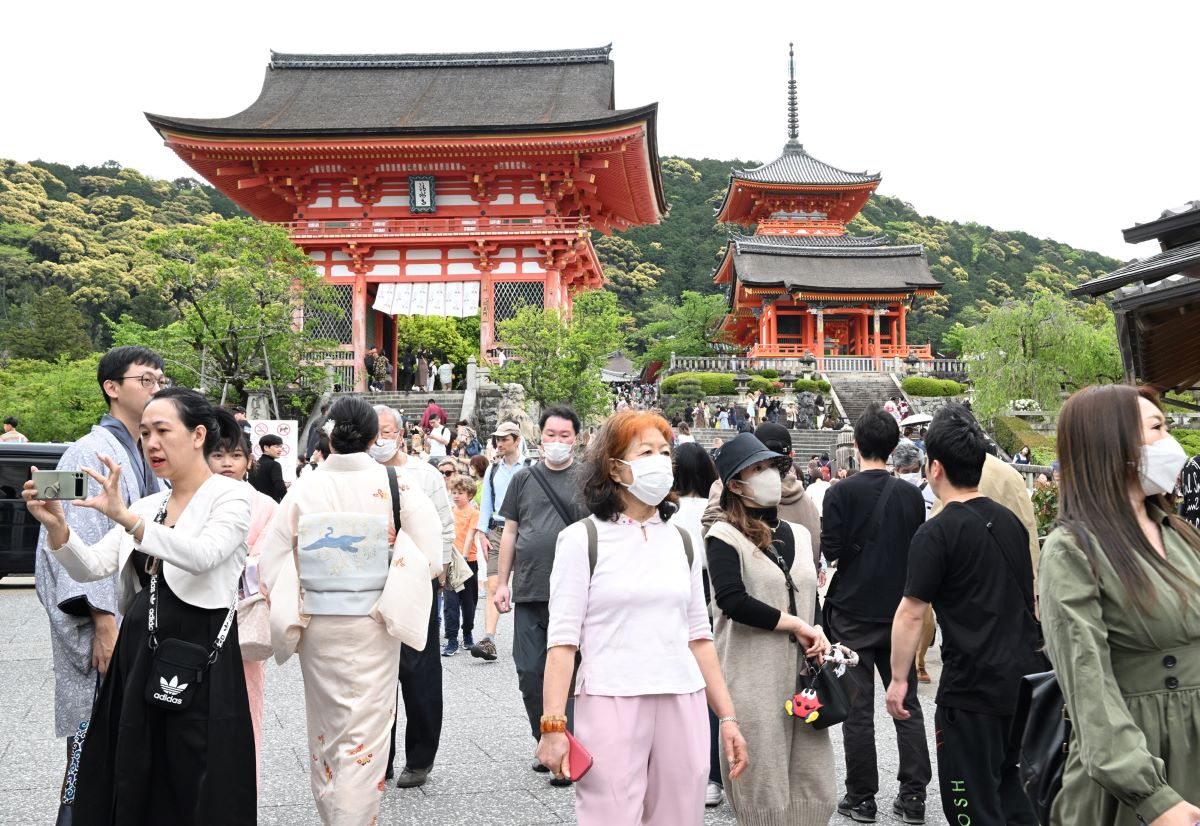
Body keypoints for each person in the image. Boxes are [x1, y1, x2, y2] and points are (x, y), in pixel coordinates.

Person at [24, 387, 255, 824]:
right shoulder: (151, 503)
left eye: (163, 431)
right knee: (134, 765)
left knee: (196, 770)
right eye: (145, 432)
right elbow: (93, 566)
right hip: (140, 648)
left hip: (199, 649)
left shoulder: (230, 496)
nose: (151, 443)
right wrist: (58, 530)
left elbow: (203, 554)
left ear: (198, 435)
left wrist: (126, 518)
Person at [536, 410, 749, 824]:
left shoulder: (683, 540)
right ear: (615, 467)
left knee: (680, 817)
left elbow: (699, 637)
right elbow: (562, 643)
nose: (659, 461)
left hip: (682, 697)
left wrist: (728, 716)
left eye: (665, 452)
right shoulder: (582, 539)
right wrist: (552, 727)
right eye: (646, 451)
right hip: (611, 697)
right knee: (609, 816)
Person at [258, 395, 442, 824]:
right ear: (375, 437)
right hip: (375, 622)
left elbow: (273, 560)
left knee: (328, 727)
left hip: (320, 622)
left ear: (327, 435)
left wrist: (309, 569)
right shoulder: (398, 484)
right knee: (367, 732)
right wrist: (393, 554)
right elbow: (431, 556)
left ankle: (334, 814)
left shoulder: (305, 485)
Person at [1038, 385, 1200, 826]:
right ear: (1114, 445)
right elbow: (1088, 685)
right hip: (1140, 764)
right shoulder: (1073, 551)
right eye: (1158, 428)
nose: (1172, 441)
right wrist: (1153, 797)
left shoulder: (1182, 534)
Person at [885, 405, 1041, 825]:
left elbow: (911, 613)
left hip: (971, 690)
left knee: (969, 804)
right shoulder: (1009, 522)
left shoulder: (936, 532)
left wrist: (900, 680)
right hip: (1022, 683)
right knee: (1015, 792)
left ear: (934, 467)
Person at [33, 346, 164, 790]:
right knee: (93, 744)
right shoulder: (84, 453)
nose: (157, 387)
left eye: (160, 381)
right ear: (112, 388)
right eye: (145, 380)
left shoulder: (150, 452)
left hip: (143, 617)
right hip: (105, 622)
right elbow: (72, 537)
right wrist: (104, 622)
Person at [707, 433, 837, 825]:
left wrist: (819, 631)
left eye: (772, 467)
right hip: (752, 677)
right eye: (758, 469)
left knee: (813, 772)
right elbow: (732, 601)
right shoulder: (722, 535)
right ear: (735, 484)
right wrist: (795, 624)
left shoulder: (797, 533)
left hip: (802, 679)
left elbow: (808, 595)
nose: (770, 475)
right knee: (761, 774)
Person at [821, 403, 931, 824]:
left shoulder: (839, 492)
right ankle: (914, 795)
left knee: (858, 706)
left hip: (851, 612)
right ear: (891, 446)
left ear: (858, 445)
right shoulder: (909, 493)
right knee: (906, 702)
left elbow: (831, 551)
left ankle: (862, 796)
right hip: (900, 609)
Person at [494, 406, 590, 783]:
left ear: (577, 438)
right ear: (540, 437)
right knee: (530, 670)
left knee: (575, 673)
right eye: (550, 435)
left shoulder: (588, 479)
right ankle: (547, 741)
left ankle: (571, 746)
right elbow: (510, 534)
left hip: (578, 592)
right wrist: (502, 583)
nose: (556, 442)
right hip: (531, 589)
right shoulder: (523, 479)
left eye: (564, 435)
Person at [370, 405, 455, 787]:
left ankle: (420, 758)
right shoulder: (358, 472)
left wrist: (440, 573)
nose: (379, 440)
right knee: (375, 679)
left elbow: (445, 526)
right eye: (373, 433)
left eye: (386, 432)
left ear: (401, 434)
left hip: (417, 584)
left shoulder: (426, 474)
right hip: (369, 587)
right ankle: (377, 760)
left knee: (419, 676)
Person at [206, 408, 278, 789]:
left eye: (235, 455)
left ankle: (241, 784)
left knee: (246, 700)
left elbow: (269, 560)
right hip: (198, 614)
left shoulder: (266, 506)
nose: (227, 463)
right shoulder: (191, 499)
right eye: (218, 455)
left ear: (249, 460)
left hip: (243, 615)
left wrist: (228, 561)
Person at [672, 442, 725, 807]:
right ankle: (713, 775)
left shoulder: (668, 513)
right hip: (715, 593)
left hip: (675, 598)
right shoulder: (715, 509)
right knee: (712, 682)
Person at [470, 421, 530, 662]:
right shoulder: (493, 470)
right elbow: (486, 504)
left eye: (505, 439)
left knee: (526, 587)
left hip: (526, 529)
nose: (499, 443)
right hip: (498, 529)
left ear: (517, 440)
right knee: (493, 584)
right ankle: (489, 639)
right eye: (497, 439)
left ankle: (529, 639)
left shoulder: (531, 467)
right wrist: (482, 533)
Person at [443, 474, 481, 657]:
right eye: (454, 492)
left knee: (469, 602)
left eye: (461, 493)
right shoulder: (448, 512)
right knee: (450, 602)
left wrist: (464, 557)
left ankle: (467, 633)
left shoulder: (474, 513)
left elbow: (470, 536)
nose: (456, 496)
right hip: (450, 561)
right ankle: (451, 639)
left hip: (468, 561)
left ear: (470, 495)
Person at [248, 433, 287, 502]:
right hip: (271, 505)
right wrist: (287, 502)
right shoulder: (274, 465)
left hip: (254, 505)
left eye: (281, 447)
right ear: (266, 448)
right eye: (277, 447)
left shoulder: (255, 464)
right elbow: (280, 487)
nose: (280, 449)